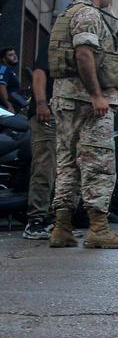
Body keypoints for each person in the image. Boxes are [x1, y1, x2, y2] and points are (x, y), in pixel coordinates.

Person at [46, 0, 118, 249]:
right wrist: (97, 95)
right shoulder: (88, 14)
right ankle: (98, 228)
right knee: (98, 164)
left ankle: (62, 227)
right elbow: (84, 55)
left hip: (66, 98)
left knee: (68, 163)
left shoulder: (69, 12)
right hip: (87, 101)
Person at [21, 55, 57, 240]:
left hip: (61, 115)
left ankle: (50, 220)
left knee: (58, 171)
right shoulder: (54, 41)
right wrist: (42, 103)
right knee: (44, 167)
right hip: (46, 116)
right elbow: (39, 73)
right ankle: (35, 221)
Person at [0, 47, 22, 111]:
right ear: (4, 59)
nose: (14, 56)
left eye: (14, 54)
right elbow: (1, 86)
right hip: (5, 109)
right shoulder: (3, 69)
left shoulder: (8, 69)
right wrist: (8, 105)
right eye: (10, 55)